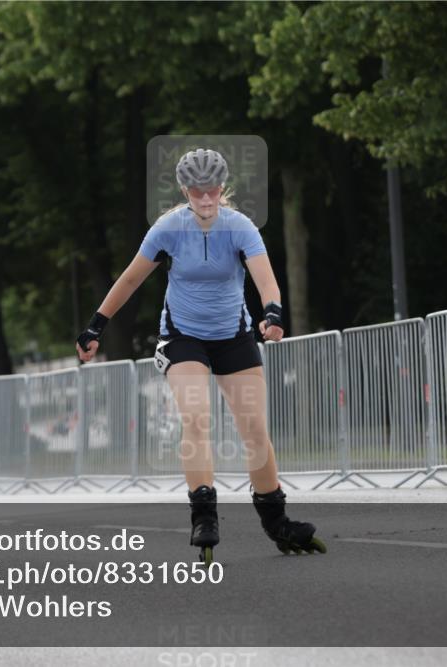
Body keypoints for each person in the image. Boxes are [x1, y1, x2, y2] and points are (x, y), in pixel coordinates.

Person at [75, 149, 325, 563]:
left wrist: (274, 315)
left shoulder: (239, 226)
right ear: (184, 190)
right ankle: (204, 515)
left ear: (222, 190)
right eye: (197, 193)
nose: (206, 201)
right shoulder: (168, 228)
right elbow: (132, 278)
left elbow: (265, 278)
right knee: (196, 416)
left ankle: (276, 520)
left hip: (233, 334)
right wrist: (95, 325)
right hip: (183, 336)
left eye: (212, 193)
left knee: (255, 429)